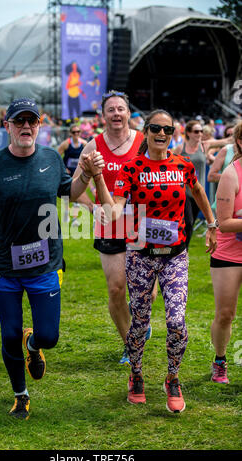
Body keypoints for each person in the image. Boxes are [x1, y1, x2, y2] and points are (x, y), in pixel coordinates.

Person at [0, 97, 104, 420]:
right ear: (7, 126)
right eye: (19, 121)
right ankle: (20, 395)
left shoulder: (52, 159)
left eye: (32, 121)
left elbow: (70, 190)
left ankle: (33, 344)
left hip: (46, 264)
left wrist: (86, 173)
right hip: (5, 266)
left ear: (39, 125)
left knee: (49, 337)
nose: (26, 127)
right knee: (9, 334)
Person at [81, 109, 217, 413]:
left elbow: (197, 190)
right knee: (139, 322)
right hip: (141, 257)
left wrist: (211, 223)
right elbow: (114, 210)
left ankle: (172, 378)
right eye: (155, 128)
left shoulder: (182, 165)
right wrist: (99, 177)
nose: (161, 134)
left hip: (175, 256)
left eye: (167, 130)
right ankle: (137, 374)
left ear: (173, 134)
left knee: (176, 322)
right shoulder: (132, 169)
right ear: (147, 131)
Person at [74, 90, 153, 367]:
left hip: (143, 225)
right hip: (109, 226)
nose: (116, 114)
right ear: (103, 115)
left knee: (147, 291)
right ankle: (129, 345)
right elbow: (74, 189)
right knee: (117, 289)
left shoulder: (145, 142)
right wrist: (93, 208)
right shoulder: (92, 147)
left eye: (121, 108)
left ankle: (141, 320)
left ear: (128, 113)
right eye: (111, 110)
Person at [210, 120, 242, 384]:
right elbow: (224, 222)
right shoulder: (232, 173)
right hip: (228, 254)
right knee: (225, 314)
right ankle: (220, 361)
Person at [174, 120, 207, 248]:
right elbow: (168, 160)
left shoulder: (204, 145)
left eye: (201, 131)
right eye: (196, 131)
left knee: (190, 223)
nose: (199, 134)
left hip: (199, 191)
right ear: (188, 133)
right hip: (184, 191)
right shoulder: (180, 148)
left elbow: (225, 142)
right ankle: (182, 249)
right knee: (187, 221)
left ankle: (182, 249)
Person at [57, 123, 87, 225]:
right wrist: (64, 168)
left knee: (78, 195)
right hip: (68, 174)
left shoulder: (84, 144)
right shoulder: (66, 144)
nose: (76, 134)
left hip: (78, 173)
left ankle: (74, 218)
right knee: (66, 195)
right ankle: (66, 214)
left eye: (78, 132)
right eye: (74, 132)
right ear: (70, 133)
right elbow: (56, 157)